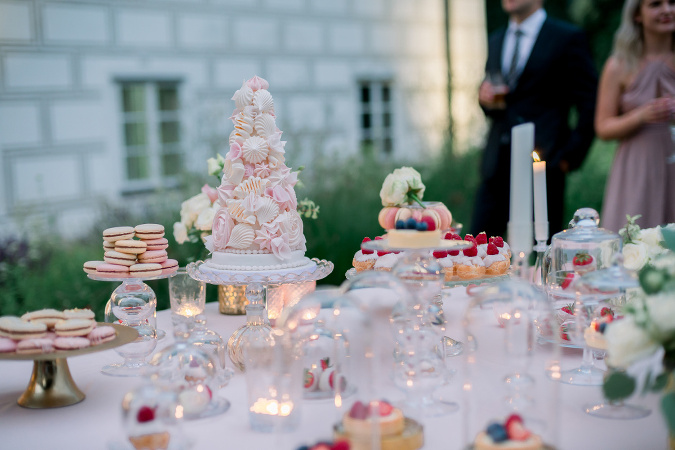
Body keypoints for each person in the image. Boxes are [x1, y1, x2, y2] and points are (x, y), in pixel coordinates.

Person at [470, 0, 598, 239]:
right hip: (496, 162)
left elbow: (589, 102)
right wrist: (484, 98)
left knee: (544, 250)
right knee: (480, 247)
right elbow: (499, 104)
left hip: (544, 162)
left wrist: (569, 156)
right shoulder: (496, 38)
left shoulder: (566, 37)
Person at [596, 0, 675, 232]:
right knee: (635, 239)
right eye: (655, 4)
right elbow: (603, 127)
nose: (667, 10)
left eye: (672, 3)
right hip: (637, 165)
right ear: (637, 15)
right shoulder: (618, 65)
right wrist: (640, 116)